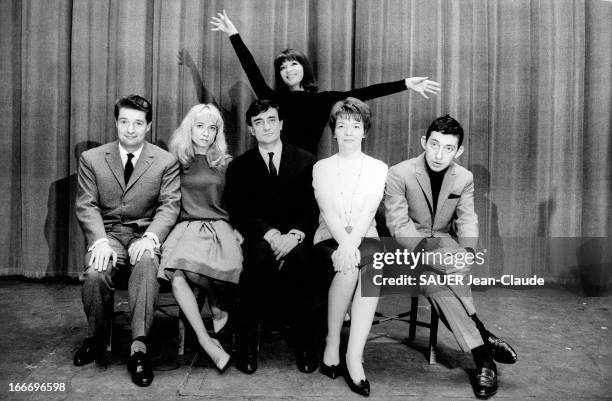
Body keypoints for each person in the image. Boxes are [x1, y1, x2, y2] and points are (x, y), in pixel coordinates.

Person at [384, 115, 517, 399]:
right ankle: (483, 350)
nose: (438, 154)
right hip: (407, 246)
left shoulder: (464, 178)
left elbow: (467, 219)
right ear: (424, 142)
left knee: (435, 282)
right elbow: (397, 224)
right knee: (438, 269)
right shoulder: (399, 172)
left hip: (443, 244)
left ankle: (482, 350)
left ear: (459, 152)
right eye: (434, 144)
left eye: (447, 148)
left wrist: (467, 251)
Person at [210, 10, 441, 155]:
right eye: (282, 67)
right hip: (277, 164)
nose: (288, 70)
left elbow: (364, 92)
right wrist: (234, 35)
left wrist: (406, 83)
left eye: (293, 64)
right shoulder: (274, 100)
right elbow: (252, 71)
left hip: (308, 168)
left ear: (304, 68)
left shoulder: (323, 100)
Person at [74, 94, 181, 387]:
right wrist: (99, 242)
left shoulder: (165, 161)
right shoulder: (92, 159)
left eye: (137, 123)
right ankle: (94, 337)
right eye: (124, 122)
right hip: (108, 237)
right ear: (116, 123)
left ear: (148, 126)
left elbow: (169, 205)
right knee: (96, 274)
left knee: (146, 264)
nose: (130, 129)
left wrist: (151, 238)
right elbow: (87, 205)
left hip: (143, 236)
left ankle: (139, 347)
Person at [224, 99, 325, 375]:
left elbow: (313, 207)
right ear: (250, 129)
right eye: (259, 122)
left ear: (281, 124)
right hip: (259, 235)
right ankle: (246, 342)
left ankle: (305, 343)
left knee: (306, 262)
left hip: (297, 236)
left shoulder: (307, 161)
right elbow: (238, 211)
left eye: (271, 120)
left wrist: (295, 234)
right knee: (256, 260)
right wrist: (269, 234)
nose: (266, 126)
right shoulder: (239, 167)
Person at [158, 104, 243, 372]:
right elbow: (165, 203)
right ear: (189, 128)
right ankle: (206, 341)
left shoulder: (226, 163)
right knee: (178, 275)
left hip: (220, 228)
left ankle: (219, 311)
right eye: (200, 126)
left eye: (212, 127)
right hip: (186, 227)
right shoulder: (174, 161)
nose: (206, 133)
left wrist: (238, 228)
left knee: (230, 267)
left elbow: (237, 203)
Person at [313, 98, 387, 397]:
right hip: (328, 235)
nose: (348, 131)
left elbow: (370, 209)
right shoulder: (321, 167)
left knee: (372, 267)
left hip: (365, 234)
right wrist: (344, 245)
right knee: (347, 265)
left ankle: (353, 357)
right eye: (341, 125)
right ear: (333, 132)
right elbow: (327, 209)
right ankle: (332, 342)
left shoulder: (378, 167)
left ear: (364, 131)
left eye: (355, 126)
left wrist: (352, 243)